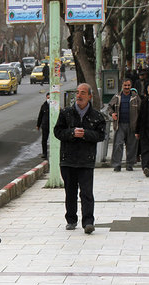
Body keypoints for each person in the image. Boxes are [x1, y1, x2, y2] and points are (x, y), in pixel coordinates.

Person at [53, 83, 106, 234]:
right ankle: (71, 219)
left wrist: (85, 134)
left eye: (83, 93)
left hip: (86, 160)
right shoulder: (66, 113)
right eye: (77, 92)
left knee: (86, 192)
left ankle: (88, 222)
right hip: (68, 159)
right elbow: (58, 132)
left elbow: (101, 135)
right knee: (70, 191)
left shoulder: (96, 117)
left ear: (89, 96)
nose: (79, 95)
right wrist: (71, 133)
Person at [108, 79, 141, 172]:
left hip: (132, 125)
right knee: (118, 144)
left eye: (128, 85)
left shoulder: (135, 97)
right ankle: (117, 164)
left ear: (131, 86)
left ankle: (130, 164)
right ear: (122, 86)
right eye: (125, 85)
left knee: (131, 145)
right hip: (120, 125)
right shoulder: (117, 96)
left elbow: (141, 110)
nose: (127, 87)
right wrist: (112, 114)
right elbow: (110, 107)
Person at [36, 92, 50, 158]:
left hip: (53, 126)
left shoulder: (55, 106)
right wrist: (38, 125)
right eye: (48, 98)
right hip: (45, 126)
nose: (49, 99)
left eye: (50, 98)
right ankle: (44, 153)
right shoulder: (43, 106)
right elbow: (40, 116)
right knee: (44, 140)